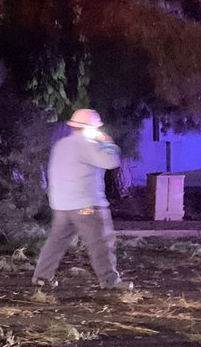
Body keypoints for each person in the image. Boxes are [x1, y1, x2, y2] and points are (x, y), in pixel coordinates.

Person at [32, 108, 130, 290]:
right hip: (86, 205)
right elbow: (111, 162)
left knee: (56, 242)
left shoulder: (61, 145)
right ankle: (109, 281)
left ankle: (42, 277)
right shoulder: (88, 144)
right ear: (90, 128)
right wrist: (106, 142)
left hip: (61, 205)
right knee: (100, 242)